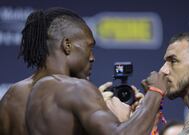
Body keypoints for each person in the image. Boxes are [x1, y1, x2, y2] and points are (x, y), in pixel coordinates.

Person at [0, 7, 143, 135]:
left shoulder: (10, 97)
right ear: (67, 45)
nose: (92, 57)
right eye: (89, 47)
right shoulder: (76, 90)